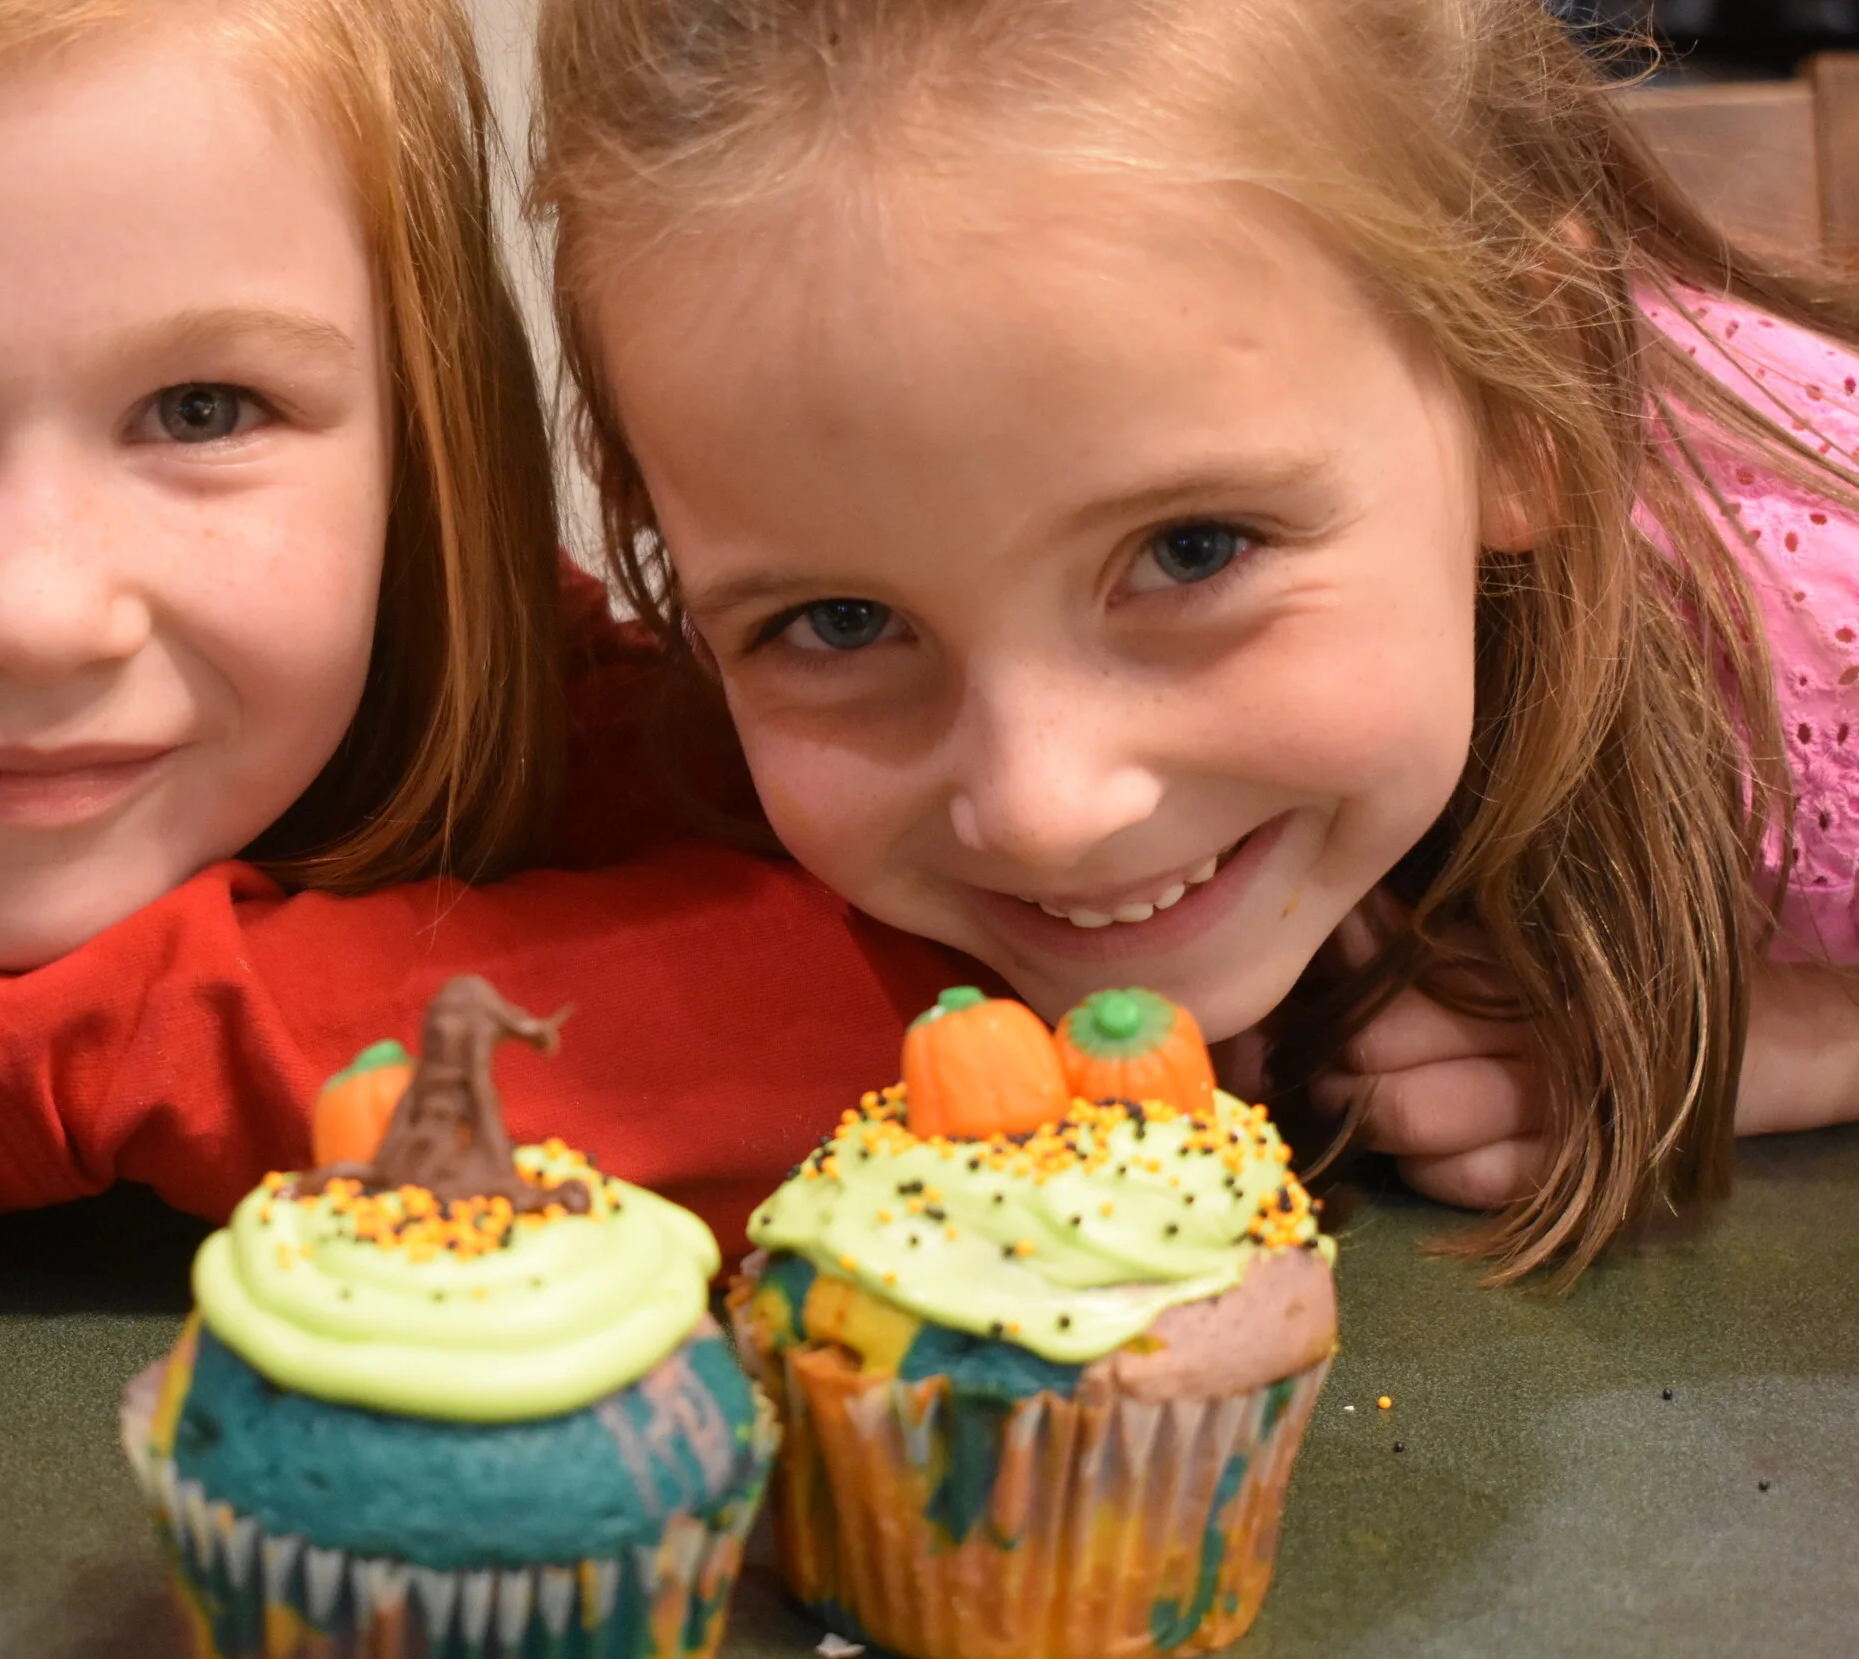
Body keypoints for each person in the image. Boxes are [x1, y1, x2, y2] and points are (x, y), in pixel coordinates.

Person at [0, 0, 973, 1393]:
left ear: (411, 417)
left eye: (203, 407)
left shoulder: (509, 696)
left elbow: (945, 1007)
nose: (46, 617)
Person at [528, 0, 1859, 1284]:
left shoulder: (1810, 630)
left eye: (1193, 548)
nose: (1045, 812)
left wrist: (1770, 1044)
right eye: (843, 622)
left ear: (1530, 402)